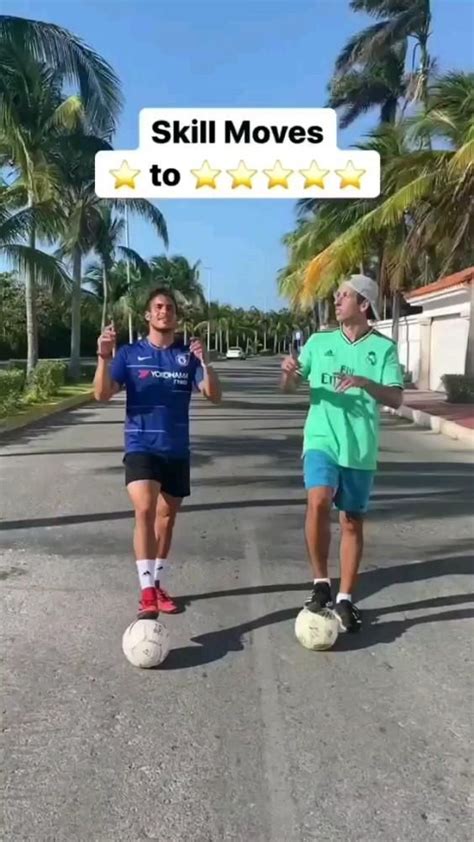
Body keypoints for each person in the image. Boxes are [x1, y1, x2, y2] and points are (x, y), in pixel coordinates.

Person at [281, 274, 404, 632]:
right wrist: (288, 374)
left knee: (351, 521)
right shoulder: (319, 342)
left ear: (363, 304)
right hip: (321, 438)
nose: (336, 301)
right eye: (336, 296)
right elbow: (289, 388)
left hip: (360, 448)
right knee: (318, 500)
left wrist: (366, 383)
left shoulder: (383, 348)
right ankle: (321, 582)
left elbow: (397, 398)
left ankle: (346, 598)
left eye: (344, 296)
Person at [93, 287, 222, 619]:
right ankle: (147, 591)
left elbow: (213, 395)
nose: (165, 311)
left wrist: (206, 362)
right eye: (159, 307)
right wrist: (104, 358)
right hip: (141, 445)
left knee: (166, 518)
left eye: (170, 308)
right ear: (148, 315)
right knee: (145, 509)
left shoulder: (187, 356)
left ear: (176, 317)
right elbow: (102, 394)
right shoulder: (130, 354)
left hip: (176, 450)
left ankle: (157, 582)